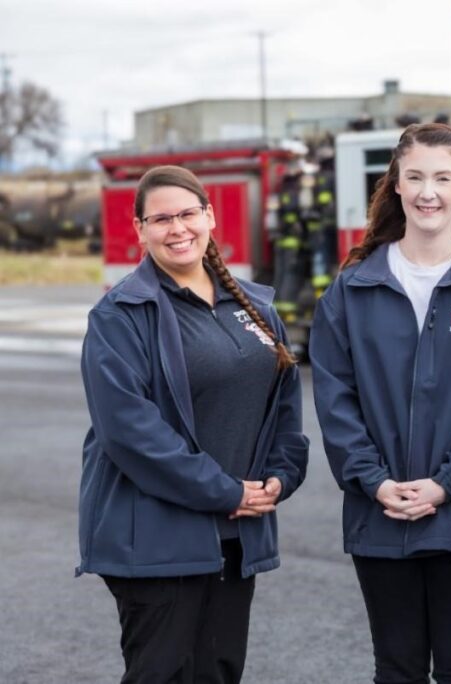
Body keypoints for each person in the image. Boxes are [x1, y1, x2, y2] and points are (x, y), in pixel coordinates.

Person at [309, 123, 451, 684]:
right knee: (398, 669)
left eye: (442, 177)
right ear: (396, 186)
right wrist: (375, 481)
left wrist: (445, 485)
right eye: (415, 177)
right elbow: (336, 403)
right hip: (379, 511)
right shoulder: (351, 290)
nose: (428, 191)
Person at [77, 165, 309, 684]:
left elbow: (284, 407)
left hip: (234, 534)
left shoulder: (254, 307)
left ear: (209, 217)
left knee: (219, 672)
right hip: (155, 539)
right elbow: (129, 432)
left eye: (187, 214)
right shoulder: (120, 315)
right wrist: (223, 491)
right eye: (160, 219)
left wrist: (282, 473)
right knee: (163, 674)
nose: (177, 228)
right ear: (140, 230)